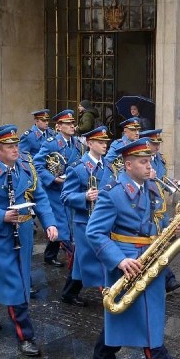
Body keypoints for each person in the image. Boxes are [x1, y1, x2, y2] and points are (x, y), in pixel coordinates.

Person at [85, 138, 180, 359]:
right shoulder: (113, 193)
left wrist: (171, 228)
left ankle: (103, 353)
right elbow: (95, 232)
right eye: (144, 162)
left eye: (150, 161)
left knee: (130, 314)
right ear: (128, 164)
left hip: (151, 259)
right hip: (129, 264)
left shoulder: (152, 188)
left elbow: (157, 220)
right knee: (147, 319)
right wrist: (119, 260)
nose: (149, 166)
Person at [0, 125, 58, 357]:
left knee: (8, 279)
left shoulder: (26, 168)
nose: (16, 150)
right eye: (9, 147)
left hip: (24, 234)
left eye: (16, 145)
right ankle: (26, 336)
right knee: (16, 284)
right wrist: (0, 216)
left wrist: (49, 222)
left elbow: (40, 197)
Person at [59, 125, 114, 305]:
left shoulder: (109, 166)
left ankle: (69, 292)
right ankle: (108, 291)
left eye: (105, 142)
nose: (105, 145)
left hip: (105, 220)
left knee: (83, 259)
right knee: (94, 258)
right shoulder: (78, 168)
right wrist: (84, 196)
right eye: (100, 142)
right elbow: (65, 196)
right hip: (85, 222)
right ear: (90, 144)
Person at [34, 109, 83, 267]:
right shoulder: (51, 143)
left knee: (69, 222)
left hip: (71, 189)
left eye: (72, 124)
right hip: (55, 191)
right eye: (68, 124)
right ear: (59, 126)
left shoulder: (77, 144)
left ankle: (61, 253)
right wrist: (52, 178)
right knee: (59, 222)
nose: (71, 126)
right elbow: (37, 164)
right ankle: (53, 255)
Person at [141, 128, 180, 293]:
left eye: (158, 143)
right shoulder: (142, 160)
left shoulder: (159, 159)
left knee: (162, 246)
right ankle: (168, 279)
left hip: (161, 208)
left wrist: (169, 182)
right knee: (157, 248)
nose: (157, 146)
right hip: (149, 209)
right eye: (154, 143)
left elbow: (161, 179)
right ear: (146, 143)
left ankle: (165, 279)